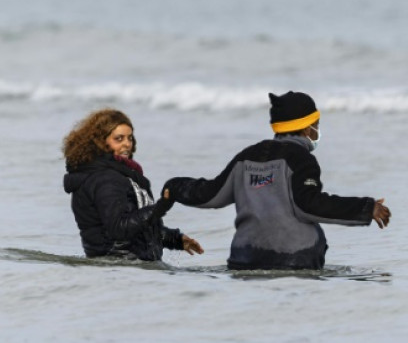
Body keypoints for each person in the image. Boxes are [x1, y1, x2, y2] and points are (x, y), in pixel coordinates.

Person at [163, 91, 391, 270]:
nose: (318, 131)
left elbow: (208, 194)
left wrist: (174, 187)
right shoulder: (301, 160)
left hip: (245, 259)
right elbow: (309, 205)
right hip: (294, 261)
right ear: (305, 128)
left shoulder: (245, 157)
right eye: (316, 125)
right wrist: (366, 207)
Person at [62, 108, 203, 261]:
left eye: (130, 138)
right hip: (118, 270)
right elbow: (119, 229)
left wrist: (175, 239)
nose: (127, 144)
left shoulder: (123, 176)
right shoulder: (105, 180)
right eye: (119, 139)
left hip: (128, 269)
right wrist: (160, 207)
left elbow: (138, 230)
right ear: (100, 142)